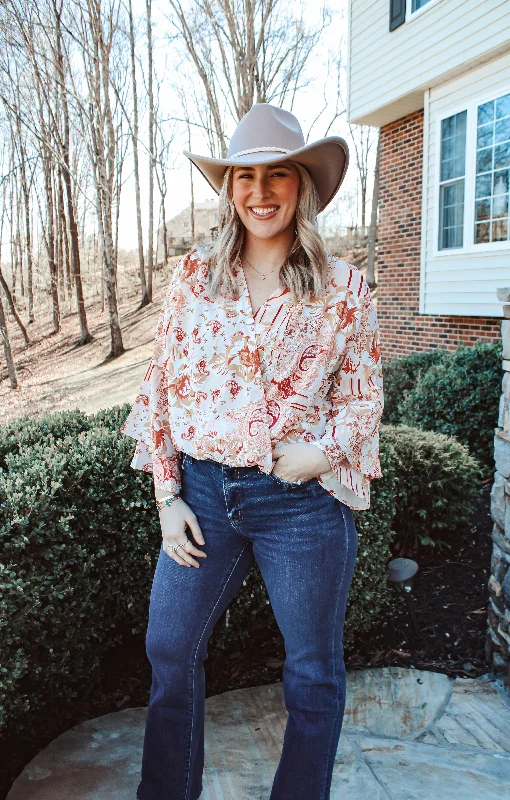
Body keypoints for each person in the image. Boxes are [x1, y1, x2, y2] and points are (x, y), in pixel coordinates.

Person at [121, 102, 384, 800]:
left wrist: (319, 456)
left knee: (312, 671)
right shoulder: (192, 277)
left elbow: (363, 399)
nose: (259, 192)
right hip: (203, 494)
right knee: (170, 650)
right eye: (244, 176)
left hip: (298, 505)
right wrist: (167, 496)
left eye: (277, 176)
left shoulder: (343, 288)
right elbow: (160, 387)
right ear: (229, 187)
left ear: (301, 187)